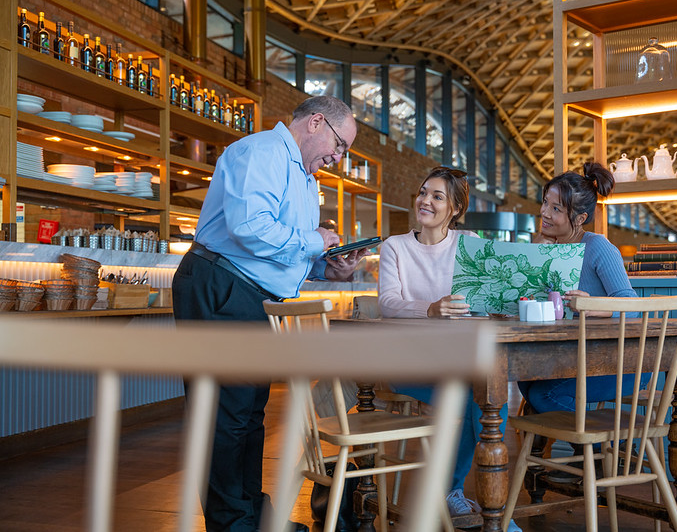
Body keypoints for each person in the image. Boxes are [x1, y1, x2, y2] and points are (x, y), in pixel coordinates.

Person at [172, 96, 368, 532]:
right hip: (220, 284)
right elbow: (251, 228)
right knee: (225, 415)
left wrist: (327, 266)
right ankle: (233, 524)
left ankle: (251, 518)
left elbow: (279, 249)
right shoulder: (261, 152)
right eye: (339, 146)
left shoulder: (302, 174)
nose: (336, 158)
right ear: (316, 122)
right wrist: (315, 242)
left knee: (248, 414)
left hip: (248, 291)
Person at [378, 166, 522, 532]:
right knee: (473, 396)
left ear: (455, 209)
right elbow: (388, 303)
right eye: (423, 192)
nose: (425, 200)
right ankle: (455, 493)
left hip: (456, 359)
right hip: (408, 363)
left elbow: (487, 299)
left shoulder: (468, 242)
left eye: (437, 196)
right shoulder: (394, 247)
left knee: (489, 394)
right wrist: (431, 307)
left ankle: (480, 502)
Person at [517, 162, 641, 480]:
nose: (544, 212)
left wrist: (591, 305)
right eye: (545, 202)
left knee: (544, 394)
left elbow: (632, 306)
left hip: (616, 365)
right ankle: (589, 456)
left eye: (556, 208)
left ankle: (604, 449)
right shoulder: (550, 251)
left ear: (580, 218)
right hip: (577, 361)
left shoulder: (598, 247)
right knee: (526, 381)